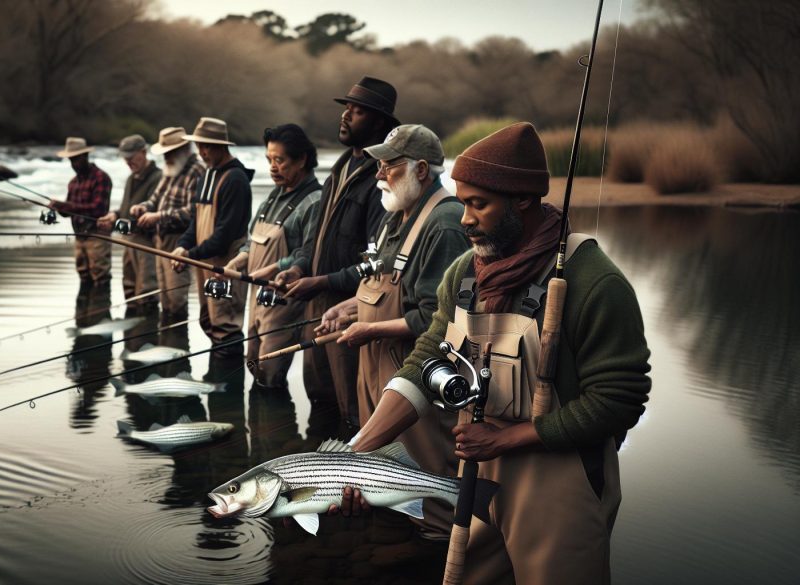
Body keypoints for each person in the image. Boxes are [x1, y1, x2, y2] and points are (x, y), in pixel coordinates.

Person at [338, 122, 652, 584]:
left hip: (563, 490)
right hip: (477, 483)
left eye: (478, 204)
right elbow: (425, 360)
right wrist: (355, 454)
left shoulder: (595, 282)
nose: (464, 219)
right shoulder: (464, 273)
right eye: (463, 202)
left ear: (522, 199)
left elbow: (619, 400)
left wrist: (506, 439)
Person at [316, 124, 468, 542]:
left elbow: (438, 319)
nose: (379, 174)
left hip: (415, 375)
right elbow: (382, 285)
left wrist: (370, 328)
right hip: (377, 368)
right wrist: (348, 309)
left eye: (389, 165)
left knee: (431, 496)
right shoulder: (395, 216)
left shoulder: (445, 223)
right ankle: (393, 543)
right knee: (380, 476)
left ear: (421, 170)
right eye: (378, 165)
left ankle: (435, 550)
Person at [273, 76, 399, 429]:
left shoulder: (381, 179)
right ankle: (314, 461)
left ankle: (350, 464)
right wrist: (299, 268)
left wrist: (323, 281)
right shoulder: (339, 168)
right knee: (319, 400)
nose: (346, 116)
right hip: (316, 307)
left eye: (357, 111)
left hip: (351, 312)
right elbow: (315, 236)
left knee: (352, 413)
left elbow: (378, 261)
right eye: (347, 108)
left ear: (379, 122)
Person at [221, 124, 322, 388]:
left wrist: (276, 267)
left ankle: (276, 410)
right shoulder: (274, 196)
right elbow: (252, 240)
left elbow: (310, 253)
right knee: (253, 365)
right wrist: (237, 261)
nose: (273, 168)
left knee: (270, 375)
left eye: (280, 160)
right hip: (257, 299)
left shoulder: (314, 201)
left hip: (284, 304)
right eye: (269, 160)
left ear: (302, 160)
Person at [170, 117, 253, 354]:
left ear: (221, 146)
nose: (201, 152)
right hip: (205, 261)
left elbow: (224, 235)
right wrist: (182, 246)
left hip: (226, 264)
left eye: (206, 146)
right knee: (208, 320)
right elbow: (196, 221)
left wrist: (190, 256)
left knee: (226, 327)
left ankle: (227, 375)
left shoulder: (236, 179)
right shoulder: (207, 175)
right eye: (198, 146)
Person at [129, 127, 205, 321]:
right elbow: (155, 198)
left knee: (176, 299)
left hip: (180, 242)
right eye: (165, 153)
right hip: (160, 239)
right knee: (165, 298)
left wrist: (158, 216)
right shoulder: (171, 168)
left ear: (183, 150)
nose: (166, 157)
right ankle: (167, 334)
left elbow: (195, 212)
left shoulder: (197, 170)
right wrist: (143, 207)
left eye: (170, 153)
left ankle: (177, 336)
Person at [98, 134, 163, 314]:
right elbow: (125, 210)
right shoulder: (131, 178)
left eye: (131, 157)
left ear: (144, 152)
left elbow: (152, 216)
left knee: (147, 293)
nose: (128, 162)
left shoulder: (158, 178)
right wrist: (114, 216)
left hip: (148, 245)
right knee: (129, 289)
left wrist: (119, 222)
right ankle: (132, 329)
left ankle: (148, 327)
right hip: (128, 242)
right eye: (125, 158)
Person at [50, 137, 113, 283]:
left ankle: (101, 298)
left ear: (85, 156)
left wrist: (68, 206)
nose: (73, 164)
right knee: (83, 275)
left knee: (100, 277)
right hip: (79, 236)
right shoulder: (73, 182)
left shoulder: (101, 178)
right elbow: (68, 212)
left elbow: (98, 209)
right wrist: (59, 208)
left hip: (97, 236)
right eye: (71, 160)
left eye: (76, 159)